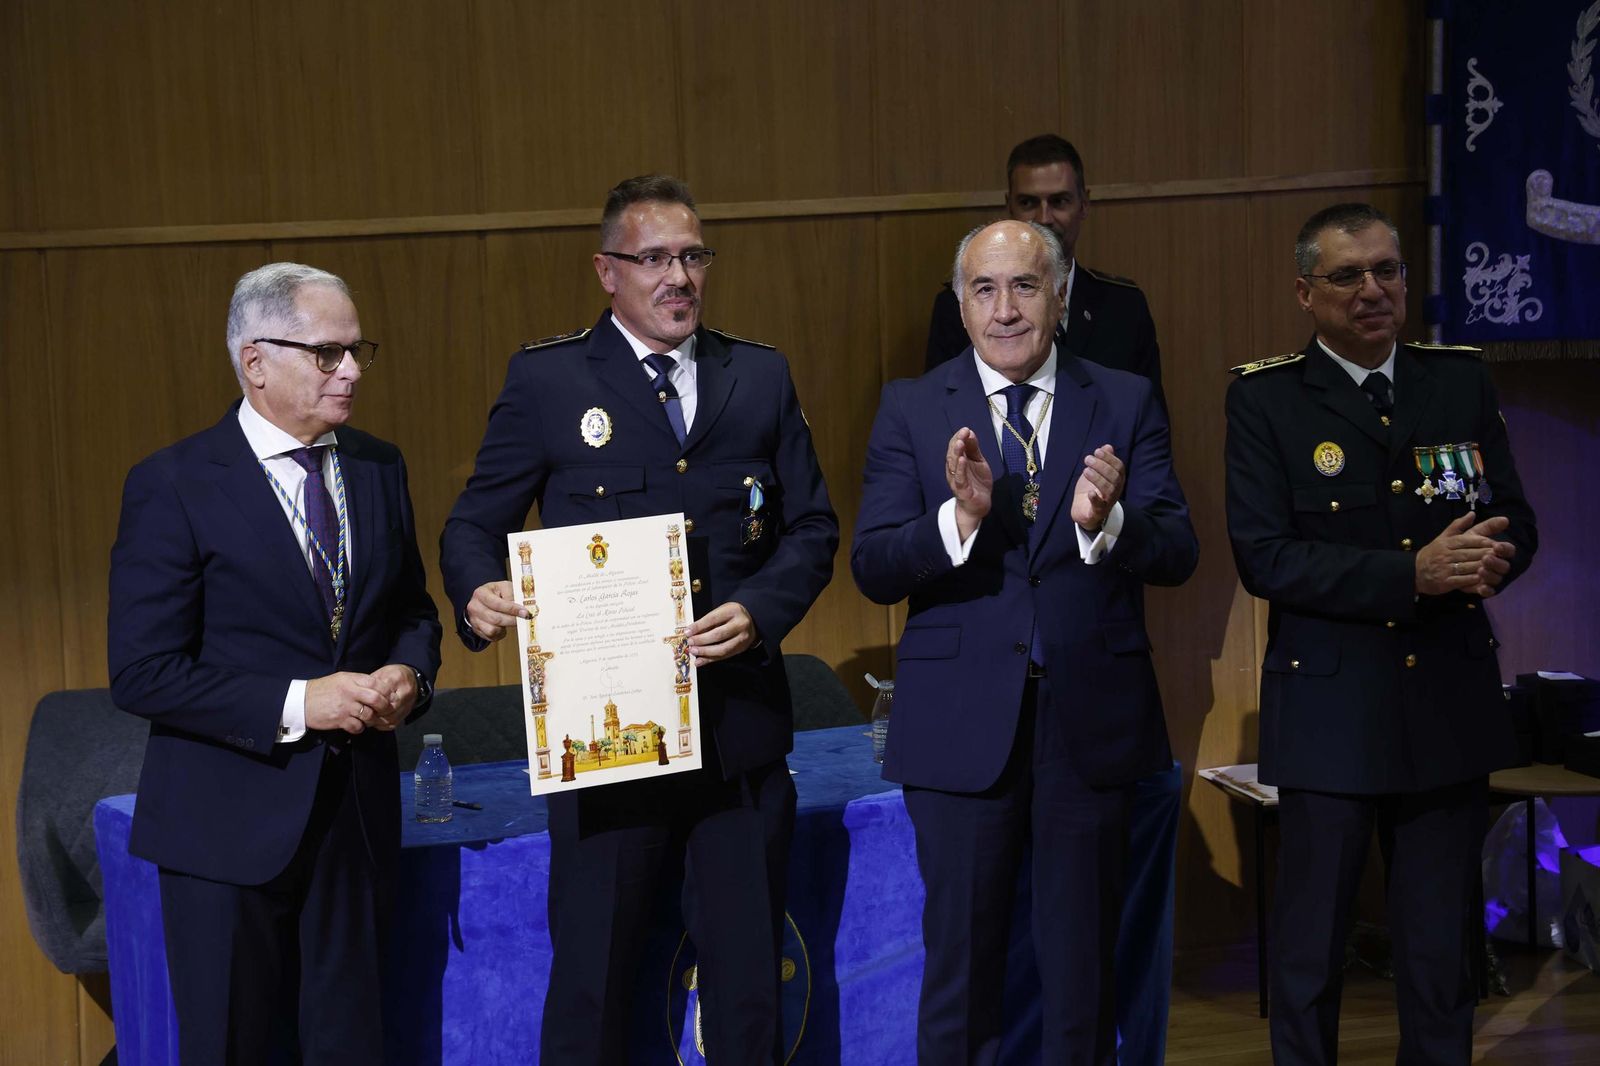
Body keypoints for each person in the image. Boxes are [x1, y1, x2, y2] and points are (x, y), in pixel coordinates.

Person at [440, 174, 837, 1064]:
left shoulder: (759, 374)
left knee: (747, 998)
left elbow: (812, 527)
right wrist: (477, 591)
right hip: (606, 747)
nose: (679, 277)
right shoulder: (548, 381)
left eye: (693, 256)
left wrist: (761, 610)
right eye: (654, 258)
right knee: (596, 993)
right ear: (606, 272)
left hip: (738, 734)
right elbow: (473, 524)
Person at [853, 219, 1197, 1064]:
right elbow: (873, 564)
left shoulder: (1123, 398)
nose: (1005, 310)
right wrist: (958, 519)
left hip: (1091, 729)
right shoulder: (910, 405)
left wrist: (1105, 522)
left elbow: (1179, 550)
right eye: (984, 290)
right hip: (960, 730)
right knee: (963, 976)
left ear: (1062, 296)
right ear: (961, 306)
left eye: (1025, 286)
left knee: (1081, 978)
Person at [1224, 202, 1537, 1065]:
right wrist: (1412, 575)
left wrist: (1491, 555)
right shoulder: (1266, 400)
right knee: (1309, 955)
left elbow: (1517, 519)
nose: (1374, 291)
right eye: (1348, 276)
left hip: (1445, 701)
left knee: (1441, 959)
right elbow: (1266, 559)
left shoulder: (1458, 381)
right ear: (1304, 291)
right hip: (1331, 711)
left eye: (1388, 272)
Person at [108, 263, 442, 1065]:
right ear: (255, 362)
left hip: (354, 826)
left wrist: (410, 676)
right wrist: (300, 702)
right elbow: (143, 672)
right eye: (328, 354)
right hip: (225, 834)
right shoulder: (173, 484)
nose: (353, 370)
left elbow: (412, 614)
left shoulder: (377, 465)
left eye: (358, 349)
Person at [923, 133, 1162, 405]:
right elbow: (940, 409)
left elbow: (1150, 421)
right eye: (1028, 203)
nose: (1044, 218)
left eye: (1059, 201)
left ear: (1084, 204)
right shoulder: (957, 306)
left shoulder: (1124, 306)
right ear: (1009, 206)